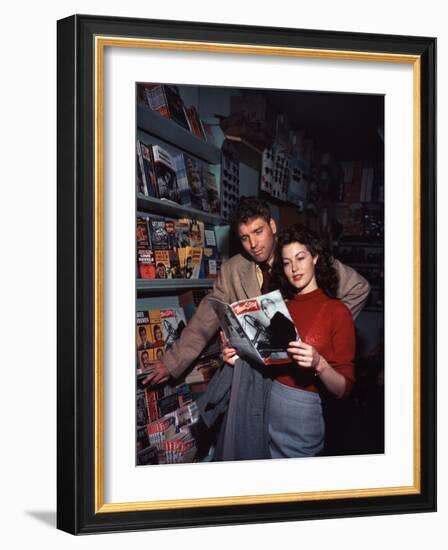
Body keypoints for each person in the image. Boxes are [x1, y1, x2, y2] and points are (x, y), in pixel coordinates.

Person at [142, 196, 370, 387]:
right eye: (244, 237)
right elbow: (204, 320)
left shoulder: (299, 255)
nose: (253, 244)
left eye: (258, 231)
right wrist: (171, 362)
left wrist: (324, 333)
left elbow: (359, 288)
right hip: (253, 379)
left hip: (302, 380)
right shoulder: (232, 270)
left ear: (272, 226)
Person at [220, 224, 356, 460]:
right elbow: (264, 361)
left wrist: (320, 364)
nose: (294, 268)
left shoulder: (337, 311)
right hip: (266, 406)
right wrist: (237, 355)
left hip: (305, 415)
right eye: (286, 262)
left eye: (300, 258)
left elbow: (344, 389)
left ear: (315, 257)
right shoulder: (277, 308)